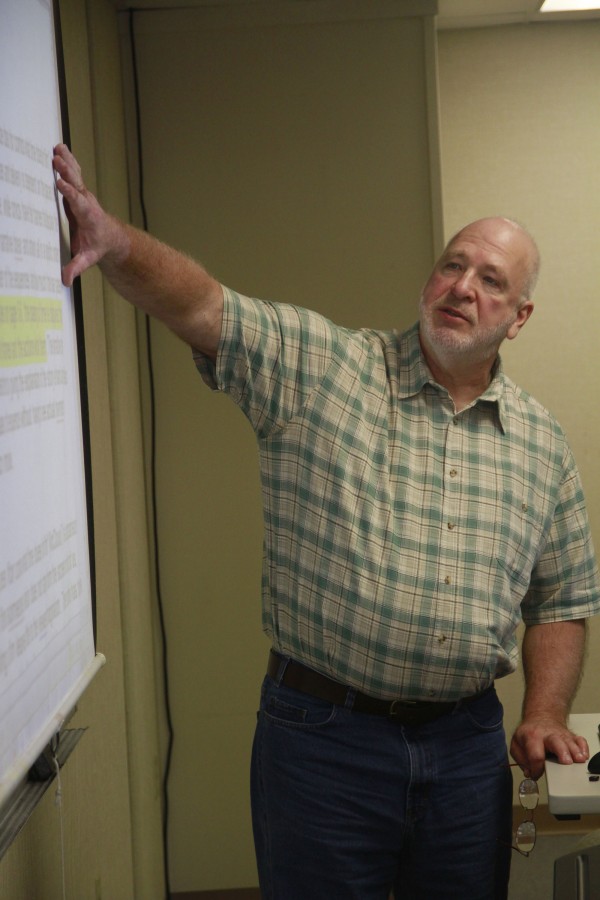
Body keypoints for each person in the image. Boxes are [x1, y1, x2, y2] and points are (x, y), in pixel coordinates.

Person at [52, 142, 600, 900]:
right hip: (324, 744)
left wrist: (544, 711)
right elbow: (206, 306)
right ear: (428, 278)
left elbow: (564, 598)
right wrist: (112, 242)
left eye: (491, 280)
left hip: (467, 754)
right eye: (452, 265)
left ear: (519, 316)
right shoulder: (325, 369)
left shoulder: (541, 443)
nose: (462, 287)